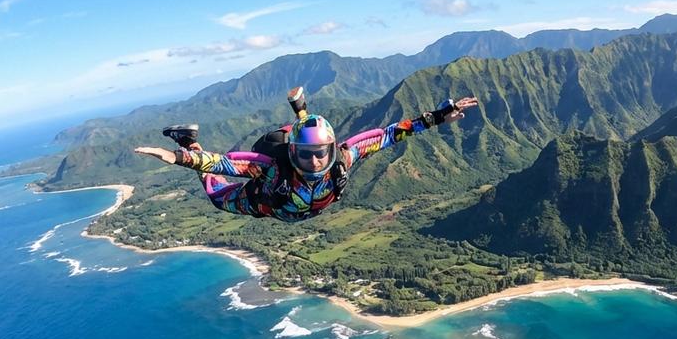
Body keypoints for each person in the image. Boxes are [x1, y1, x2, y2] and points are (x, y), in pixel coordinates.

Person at [133, 93, 479, 222]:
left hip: (288, 207)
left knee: (310, 133)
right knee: (216, 197)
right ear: (293, 153)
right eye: (306, 155)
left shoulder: (344, 157)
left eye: (321, 154)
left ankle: (301, 111)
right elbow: (223, 164)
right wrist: (178, 156)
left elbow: (389, 134)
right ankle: (189, 139)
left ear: (332, 149)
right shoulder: (271, 170)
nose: (315, 162)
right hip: (263, 203)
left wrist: (438, 116)